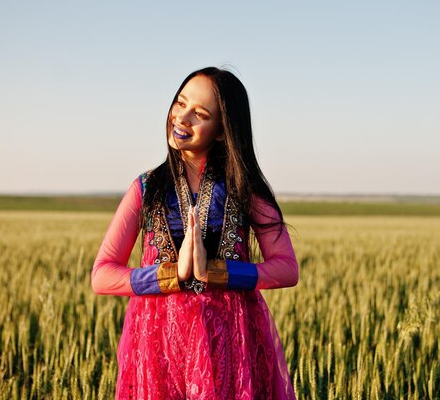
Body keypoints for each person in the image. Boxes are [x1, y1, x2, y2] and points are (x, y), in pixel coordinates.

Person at [91, 67, 300, 400]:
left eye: (200, 114)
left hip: (230, 341)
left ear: (222, 131)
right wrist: (173, 275)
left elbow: (287, 268)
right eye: (180, 103)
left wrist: (217, 273)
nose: (182, 117)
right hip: (159, 344)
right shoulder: (146, 188)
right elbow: (101, 276)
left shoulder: (245, 190)